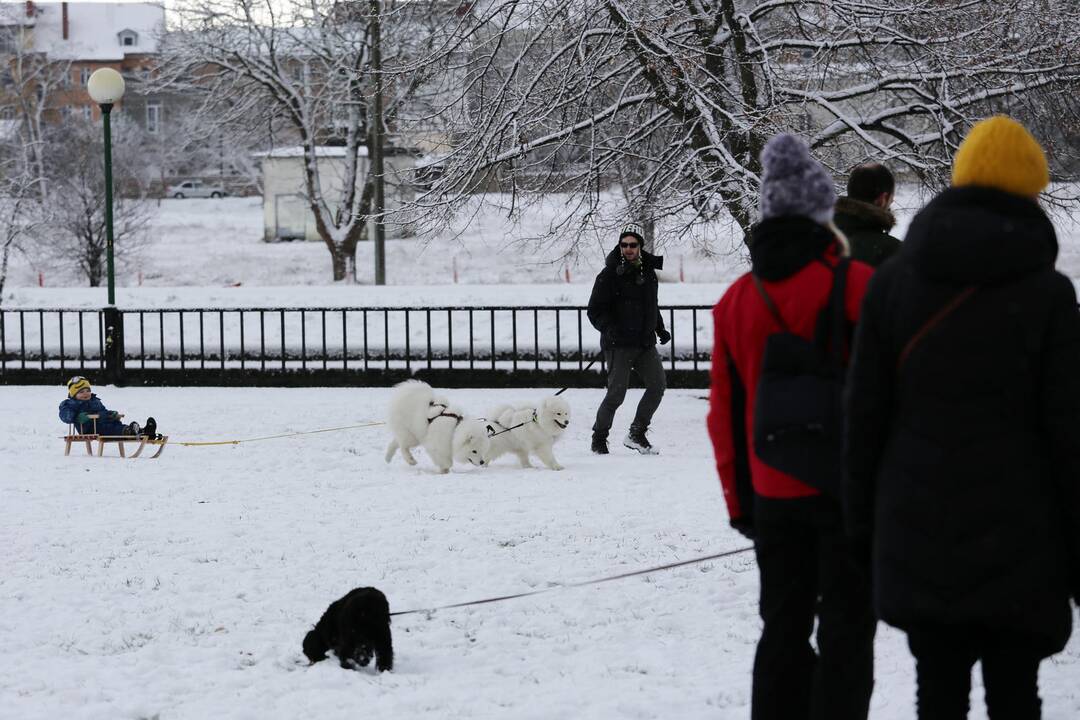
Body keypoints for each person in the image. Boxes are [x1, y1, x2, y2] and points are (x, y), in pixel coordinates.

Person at [844, 115, 1080, 719]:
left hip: (920, 524)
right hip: (1024, 531)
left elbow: (864, 416)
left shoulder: (892, 285)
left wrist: (862, 532)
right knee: (1015, 692)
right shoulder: (1050, 297)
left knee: (938, 691)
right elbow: (1070, 434)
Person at [707, 133, 876, 720]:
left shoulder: (735, 300)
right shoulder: (857, 287)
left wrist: (740, 500)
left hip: (772, 488)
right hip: (847, 490)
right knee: (848, 631)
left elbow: (722, 414)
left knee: (781, 627)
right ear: (821, 214)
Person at [587, 222, 671, 455]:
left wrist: (660, 328)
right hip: (618, 344)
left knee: (658, 386)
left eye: (633, 245)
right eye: (624, 245)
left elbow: (650, 305)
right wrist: (608, 328)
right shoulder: (608, 274)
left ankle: (636, 433)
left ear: (640, 246)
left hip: (644, 343)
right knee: (616, 394)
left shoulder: (648, 273)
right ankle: (599, 438)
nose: (628, 249)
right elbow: (594, 310)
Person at [834, 162, 901, 267]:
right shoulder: (894, 253)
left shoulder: (819, 240)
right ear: (883, 199)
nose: (892, 201)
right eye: (891, 198)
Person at [59, 375, 158, 438]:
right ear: (73, 394)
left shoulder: (95, 401)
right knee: (109, 428)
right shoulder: (70, 404)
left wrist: (111, 414)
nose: (86, 394)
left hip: (102, 423)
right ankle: (129, 432)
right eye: (81, 392)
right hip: (89, 429)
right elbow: (64, 416)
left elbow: (103, 411)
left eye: (88, 390)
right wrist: (76, 417)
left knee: (116, 425)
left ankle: (143, 431)